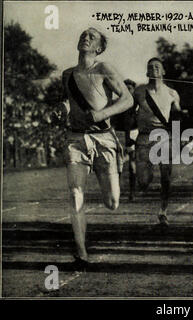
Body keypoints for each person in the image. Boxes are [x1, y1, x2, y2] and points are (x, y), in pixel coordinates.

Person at [54, 28, 133, 265]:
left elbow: (127, 99)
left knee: (112, 202)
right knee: (75, 191)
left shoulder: (104, 69)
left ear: (99, 48)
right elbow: (68, 100)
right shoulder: (67, 74)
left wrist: (102, 114)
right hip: (76, 139)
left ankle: (114, 170)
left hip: (104, 138)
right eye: (83, 35)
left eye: (91, 37)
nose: (85, 38)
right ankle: (81, 250)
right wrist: (62, 110)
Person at [133, 57, 185, 226]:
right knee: (143, 181)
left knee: (166, 176)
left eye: (157, 66)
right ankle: (147, 176)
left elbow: (177, 117)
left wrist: (178, 138)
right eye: (150, 67)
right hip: (144, 137)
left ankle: (163, 211)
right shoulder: (139, 92)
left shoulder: (172, 93)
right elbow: (129, 113)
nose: (154, 69)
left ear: (163, 71)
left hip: (164, 137)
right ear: (147, 72)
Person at [122, 79, 140, 202]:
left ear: (134, 90)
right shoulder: (119, 103)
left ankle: (132, 192)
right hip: (121, 134)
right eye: (126, 88)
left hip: (134, 133)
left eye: (130, 88)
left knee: (132, 166)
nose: (128, 91)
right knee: (118, 167)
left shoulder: (138, 103)